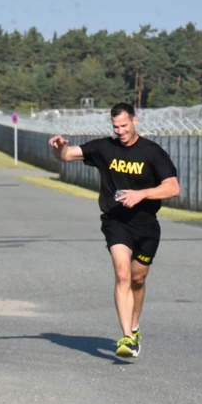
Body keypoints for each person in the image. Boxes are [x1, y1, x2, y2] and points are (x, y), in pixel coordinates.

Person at [48, 102, 179, 359]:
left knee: (138, 279)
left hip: (146, 224)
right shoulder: (104, 148)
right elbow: (65, 156)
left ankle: (134, 326)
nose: (120, 131)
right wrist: (58, 147)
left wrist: (142, 194)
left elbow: (173, 188)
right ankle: (127, 339)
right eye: (115, 126)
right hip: (115, 221)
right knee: (122, 274)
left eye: (124, 125)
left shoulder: (152, 152)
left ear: (135, 121)